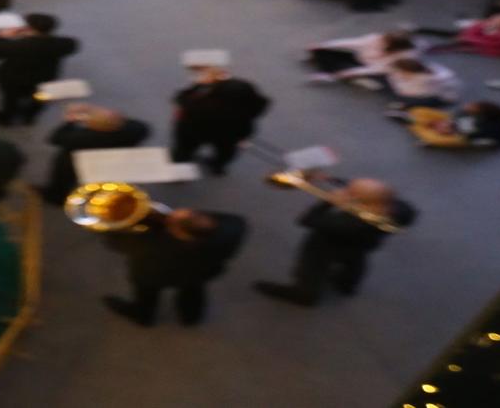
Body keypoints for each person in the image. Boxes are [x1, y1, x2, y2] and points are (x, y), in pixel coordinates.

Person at [255, 177, 417, 306]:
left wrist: (328, 202)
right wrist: (332, 180)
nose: (345, 190)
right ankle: (347, 286)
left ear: (357, 200)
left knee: (311, 269)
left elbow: (307, 220)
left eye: (349, 191)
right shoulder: (399, 209)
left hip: (325, 248)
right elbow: (371, 194)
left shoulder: (348, 224)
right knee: (355, 262)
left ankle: (303, 295)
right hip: (363, 245)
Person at [103, 207, 248, 327]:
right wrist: (185, 220)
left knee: (146, 297)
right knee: (192, 292)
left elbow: (114, 244)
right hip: (201, 272)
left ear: (178, 232)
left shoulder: (149, 244)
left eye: (171, 219)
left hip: (152, 276)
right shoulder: (234, 226)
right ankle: (190, 319)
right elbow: (222, 217)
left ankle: (143, 317)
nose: (169, 214)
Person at [0, 14, 80, 126]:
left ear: (28, 28)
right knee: (40, 98)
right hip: (46, 77)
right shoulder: (65, 43)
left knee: (10, 98)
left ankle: (6, 118)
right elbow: (73, 45)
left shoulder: (19, 46)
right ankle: (29, 117)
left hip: (14, 79)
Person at [170, 64, 271, 176]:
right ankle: (217, 167)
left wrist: (198, 85)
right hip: (234, 133)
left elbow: (182, 98)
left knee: (184, 149)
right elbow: (261, 104)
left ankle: (180, 171)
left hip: (197, 130)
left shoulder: (204, 105)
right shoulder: (252, 105)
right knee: (226, 152)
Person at [39, 104, 150, 204]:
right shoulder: (136, 130)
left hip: (79, 162)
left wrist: (70, 121)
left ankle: (55, 196)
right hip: (114, 160)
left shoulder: (82, 138)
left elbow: (55, 138)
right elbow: (136, 125)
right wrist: (106, 115)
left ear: (94, 126)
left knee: (63, 171)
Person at [404, 101, 500, 149]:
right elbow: (456, 116)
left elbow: (467, 135)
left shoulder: (489, 127)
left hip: (473, 138)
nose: (467, 106)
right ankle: (418, 124)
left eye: (471, 107)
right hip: (462, 126)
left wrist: (447, 128)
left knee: (434, 139)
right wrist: (448, 123)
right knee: (419, 110)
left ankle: (416, 126)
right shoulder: (471, 112)